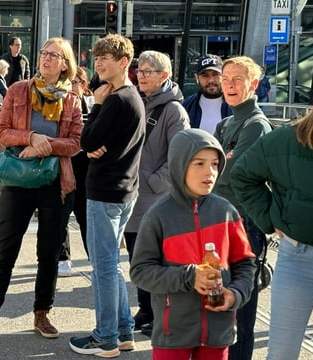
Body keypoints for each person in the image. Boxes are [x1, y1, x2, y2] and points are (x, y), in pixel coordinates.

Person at [0, 37, 82, 346]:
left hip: (54, 182)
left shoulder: (72, 98)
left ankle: (42, 313)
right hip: (17, 181)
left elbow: (76, 143)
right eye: (44, 53)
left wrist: (45, 144)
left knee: (49, 253)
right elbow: (1, 131)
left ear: (65, 64)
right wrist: (31, 137)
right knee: (5, 252)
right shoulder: (17, 90)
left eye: (55, 55)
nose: (47, 59)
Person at [231, 75, 313, 360]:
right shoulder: (288, 139)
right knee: (282, 353)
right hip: (297, 259)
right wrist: (270, 219)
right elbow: (242, 175)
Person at [130, 128, 256, 360]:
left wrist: (236, 295)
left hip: (218, 332)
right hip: (172, 334)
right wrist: (189, 277)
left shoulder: (226, 211)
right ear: (179, 165)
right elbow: (140, 272)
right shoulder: (158, 215)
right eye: (199, 163)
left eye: (215, 164)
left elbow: (246, 264)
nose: (209, 171)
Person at [68, 33, 144, 358]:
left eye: (105, 59)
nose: (98, 63)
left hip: (106, 193)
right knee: (111, 265)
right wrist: (93, 141)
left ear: (123, 62)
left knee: (103, 267)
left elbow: (87, 140)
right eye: (96, 58)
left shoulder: (115, 100)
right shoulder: (133, 97)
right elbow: (94, 142)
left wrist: (95, 107)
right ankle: (124, 331)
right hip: (124, 191)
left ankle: (106, 336)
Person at [124, 50, 190, 337]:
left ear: (165, 76)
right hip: (132, 194)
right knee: (138, 259)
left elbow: (180, 154)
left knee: (157, 260)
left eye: (148, 71)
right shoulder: (136, 101)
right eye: (139, 70)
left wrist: (153, 181)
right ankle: (146, 309)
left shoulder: (173, 110)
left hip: (155, 197)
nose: (141, 75)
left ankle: (160, 314)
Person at [211, 56, 273, 360]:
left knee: (241, 313)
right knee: (218, 304)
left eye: (237, 79)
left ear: (254, 84)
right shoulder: (226, 123)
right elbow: (205, 171)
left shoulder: (257, 125)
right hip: (219, 220)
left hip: (245, 225)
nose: (230, 85)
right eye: (226, 78)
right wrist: (220, 162)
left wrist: (217, 165)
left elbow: (228, 175)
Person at [58, 66, 93, 277]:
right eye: (69, 82)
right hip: (65, 166)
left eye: (77, 82)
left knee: (86, 216)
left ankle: (93, 256)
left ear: (84, 85)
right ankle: (63, 257)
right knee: (61, 214)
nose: (73, 87)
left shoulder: (92, 105)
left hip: (87, 170)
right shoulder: (61, 106)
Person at [183, 54, 232, 134]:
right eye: (205, 75)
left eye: (215, 74)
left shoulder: (236, 104)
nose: (211, 80)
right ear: (196, 78)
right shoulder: (188, 105)